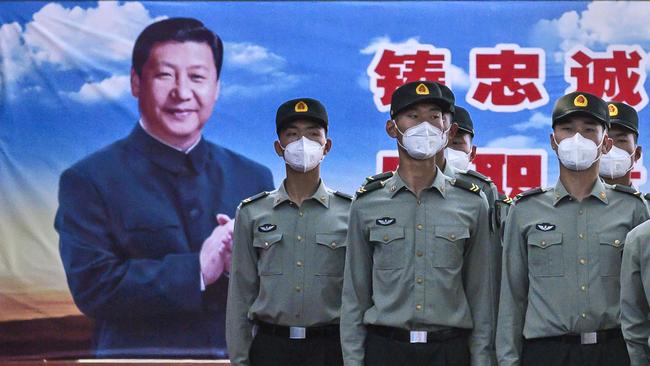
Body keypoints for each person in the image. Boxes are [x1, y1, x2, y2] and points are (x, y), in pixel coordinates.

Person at [55, 18, 274, 358]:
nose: (182, 93)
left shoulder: (253, 178)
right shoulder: (88, 180)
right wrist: (199, 268)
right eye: (165, 75)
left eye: (198, 77)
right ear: (135, 82)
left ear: (216, 87)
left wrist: (241, 266)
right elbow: (93, 288)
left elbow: (276, 292)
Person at [341, 81, 494, 366]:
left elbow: (481, 296)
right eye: (413, 116)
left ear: (450, 131)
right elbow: (354, 296)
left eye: (434, 116)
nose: (425, 125)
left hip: (449, 350)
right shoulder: (367, 203)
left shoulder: (472, 202)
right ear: (392, 128)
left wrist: (482, 359)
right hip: (386, 349)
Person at [496, 91, 649, 366]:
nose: (577, 139)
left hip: (614, 350)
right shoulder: (525, 210)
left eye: (589, 130)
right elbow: (512, 298)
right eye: (567, 130)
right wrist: (508, 360)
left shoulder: (634, 209)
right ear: (553, 141)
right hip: (546, 353)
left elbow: (642, 298)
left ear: (605, 143)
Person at [226, 98, 350, 366]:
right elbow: (240, 295)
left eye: (312, 134)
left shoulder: (351, 213)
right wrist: (239, 359)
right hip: (271, 348)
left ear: (326, 146)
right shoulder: (252, 213)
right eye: (292, 135)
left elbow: (360, 295)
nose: (302, 143)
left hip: (330, 349)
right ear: (279, 148)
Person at [599, 101, 642, 187]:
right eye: (604, 140)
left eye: (621, 140)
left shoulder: (644, 201)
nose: (611, 148)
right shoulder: (569, 200)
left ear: (637, 153)